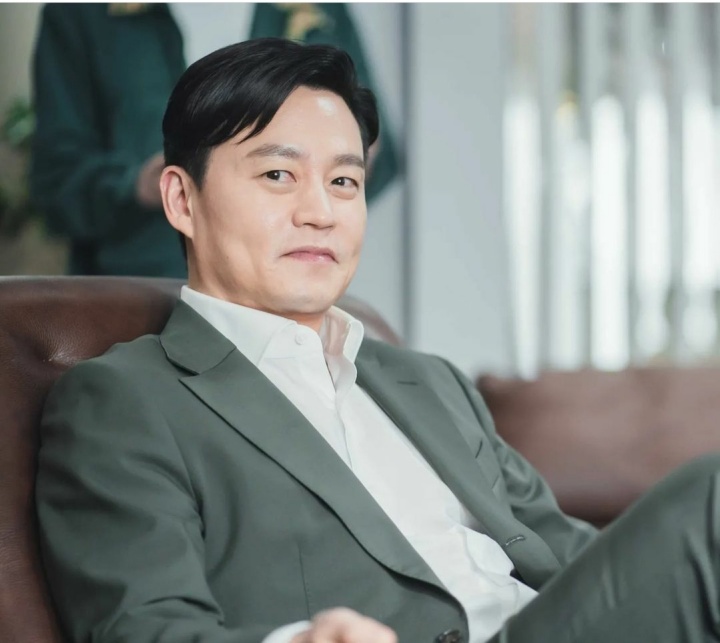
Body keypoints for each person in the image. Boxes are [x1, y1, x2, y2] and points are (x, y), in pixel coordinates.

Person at [36, 37, 720, 643]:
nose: (320, 212)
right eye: (278, 175)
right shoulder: (126, 402)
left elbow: (578, 561)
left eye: (344, 181)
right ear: (182, 200)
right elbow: (143, 627)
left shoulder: (432, 382)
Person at [30, 3, 187, 277]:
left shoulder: (271, 14)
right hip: (138, 285)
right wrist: (134, 184)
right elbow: (56, 176)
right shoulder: (78, 12)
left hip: (262, 283)